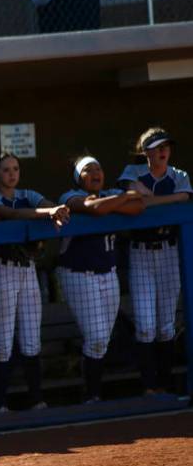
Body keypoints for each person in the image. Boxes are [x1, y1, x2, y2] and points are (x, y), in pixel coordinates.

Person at [0, 154, 69, 413]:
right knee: (3, 340)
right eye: (6, 170)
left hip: (28, 270)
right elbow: (11, 214)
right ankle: (0, 403)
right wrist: (48, 213)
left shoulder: (28, 193)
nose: (12, 174)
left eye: (15, 169)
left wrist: (55, 212)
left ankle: (36, 400)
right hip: (2, 270)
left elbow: (47, 204)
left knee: (32, 338)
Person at [58, 155, 144, 402]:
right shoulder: (68, 196)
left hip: (109, 273)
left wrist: (119, 199)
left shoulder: (110, 192)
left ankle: (93, 393)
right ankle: (92, 396)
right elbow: (94, 208)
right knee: (96, 337)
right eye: (88, 169)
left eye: (98, 167)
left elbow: (139, 205)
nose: (95, 172)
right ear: (78, 177)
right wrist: (124, 198)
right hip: (78, 275)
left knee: (101, 340)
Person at [117, 128, 192, 394]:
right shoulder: (132, 172)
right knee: (146, 325)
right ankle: (149, 386)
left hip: (169, 252)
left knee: (166, 325)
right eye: (157, 147)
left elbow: (183, 198)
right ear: (145, 151)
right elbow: (132, 196)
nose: (163, 151)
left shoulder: (179, 175)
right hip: (141, 252)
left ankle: (167, 383)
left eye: (166, 147)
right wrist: (162, 201)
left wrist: (150, 200)